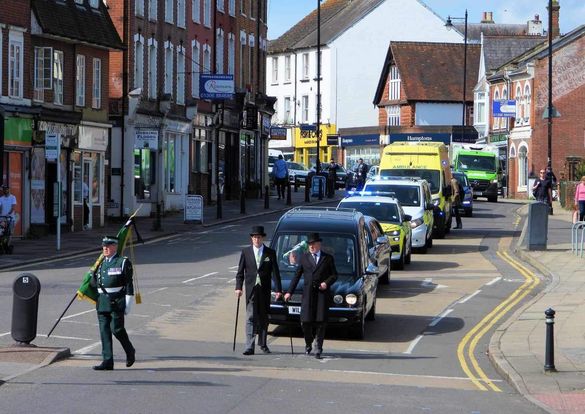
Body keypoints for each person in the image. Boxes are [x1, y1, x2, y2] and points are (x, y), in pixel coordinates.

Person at [284, 233, 338, 359]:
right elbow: (297, 276)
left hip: (321, 294)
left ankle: (318, 347)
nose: (311, 246)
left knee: (321, 322)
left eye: (313, 244)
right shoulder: (304, 258)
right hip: (308, 294)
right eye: (309, 244)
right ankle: (309, 343)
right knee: (305, 322)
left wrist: (326, 283)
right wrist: (289, 292)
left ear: (319, 244)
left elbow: (334, 275)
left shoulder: (327, 258)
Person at [235, 226, 283, 355]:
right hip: (251, 289)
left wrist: (279, 289)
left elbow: (275, 273)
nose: (257, 239)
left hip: (264, 290)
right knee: (250, 317)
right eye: (255, 237)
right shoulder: (246, 252)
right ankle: (249, 346)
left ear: (263, 238)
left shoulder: (269, 253)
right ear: (251, 238)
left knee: (263, 318)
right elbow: (240, 272)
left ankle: (263, 344)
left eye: (259, 237)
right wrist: (238, 287)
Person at [91, 236, 136, 370]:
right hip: (102, 301)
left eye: (108, 246)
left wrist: (128, 303)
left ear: (115, 247)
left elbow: (128, 283)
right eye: (104, 246)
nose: (105, 248)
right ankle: (107, 361)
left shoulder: (122, 262)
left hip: (117, 301)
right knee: (104, 331)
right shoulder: (100, 263)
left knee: (116, 329)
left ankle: (130, 350)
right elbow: (94, 282)